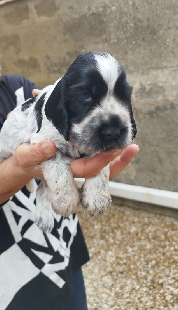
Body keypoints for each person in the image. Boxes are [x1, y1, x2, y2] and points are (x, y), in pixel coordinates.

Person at [0, 74, 139, 310]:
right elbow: (49, 145)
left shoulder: (16, 86)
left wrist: (94, 173)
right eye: (85, 96)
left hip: (63, 246)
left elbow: (63, 125)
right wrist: (18, 169)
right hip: (11, 276)